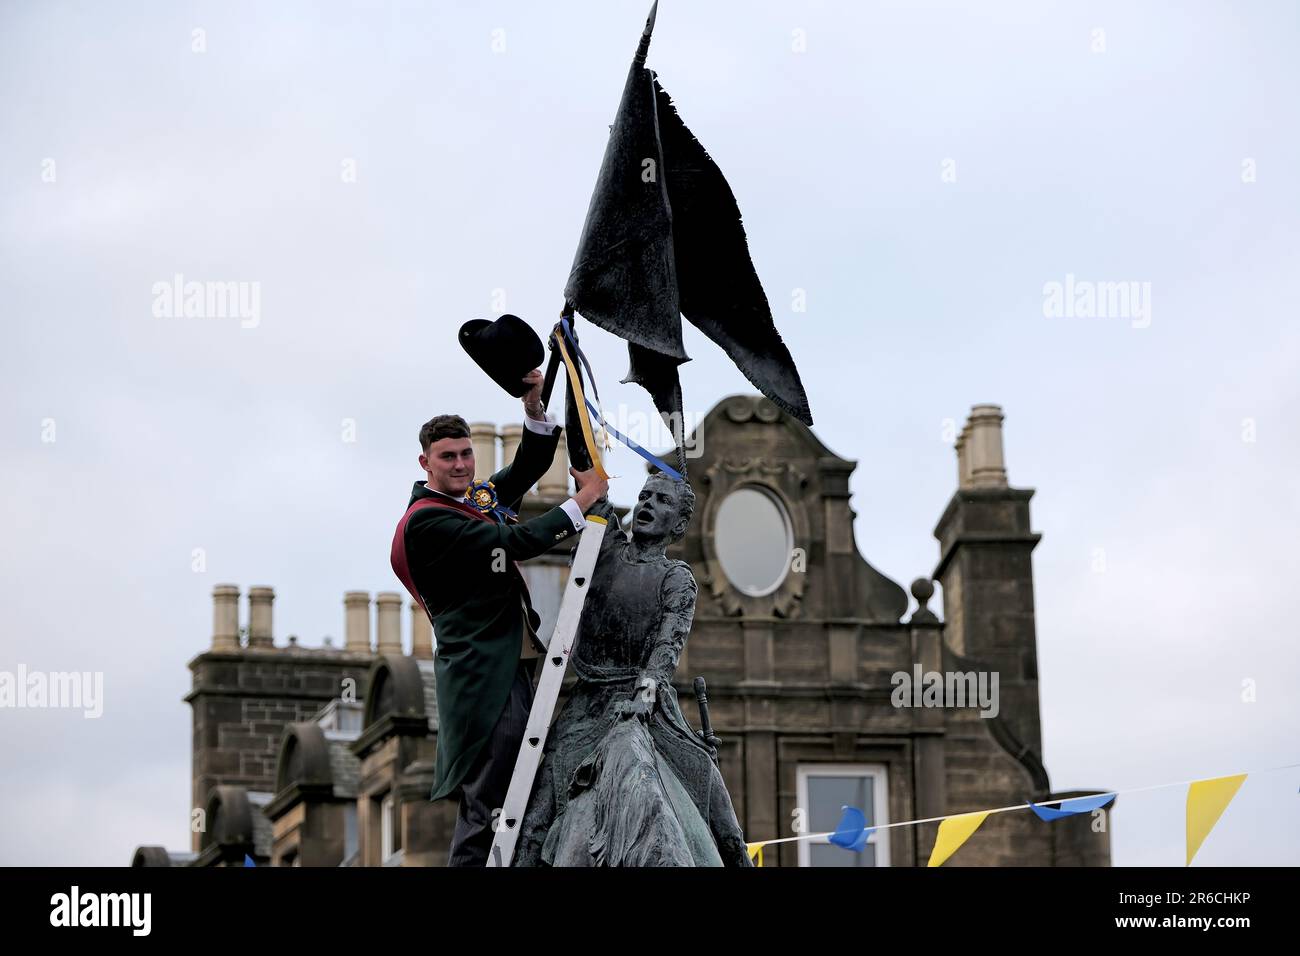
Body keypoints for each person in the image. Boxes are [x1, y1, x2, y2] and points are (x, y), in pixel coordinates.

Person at [390, 368, 608, 866]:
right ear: (425, 463)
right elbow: (516, 541)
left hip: (509, 666)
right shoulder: (429, 521)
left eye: (467, 454)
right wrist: (585, 499)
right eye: (448, 457)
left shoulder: (469, 502)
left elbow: (526, 467)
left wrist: (532, 407)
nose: (461, 464)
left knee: (521, 797)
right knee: (489, 806)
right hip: (482, 681)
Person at [513, 471, 753, 867]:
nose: (647, 505)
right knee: (536, 813)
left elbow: (668, 645)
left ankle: (738, 857)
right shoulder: (605, 545)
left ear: (678, 525)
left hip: (647, 707)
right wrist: (583, 445)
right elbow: (588, 471)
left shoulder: (677, 579)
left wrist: (645, 694)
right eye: (645, 496)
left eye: (662, 501)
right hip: (587, 705)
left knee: (712, 791)